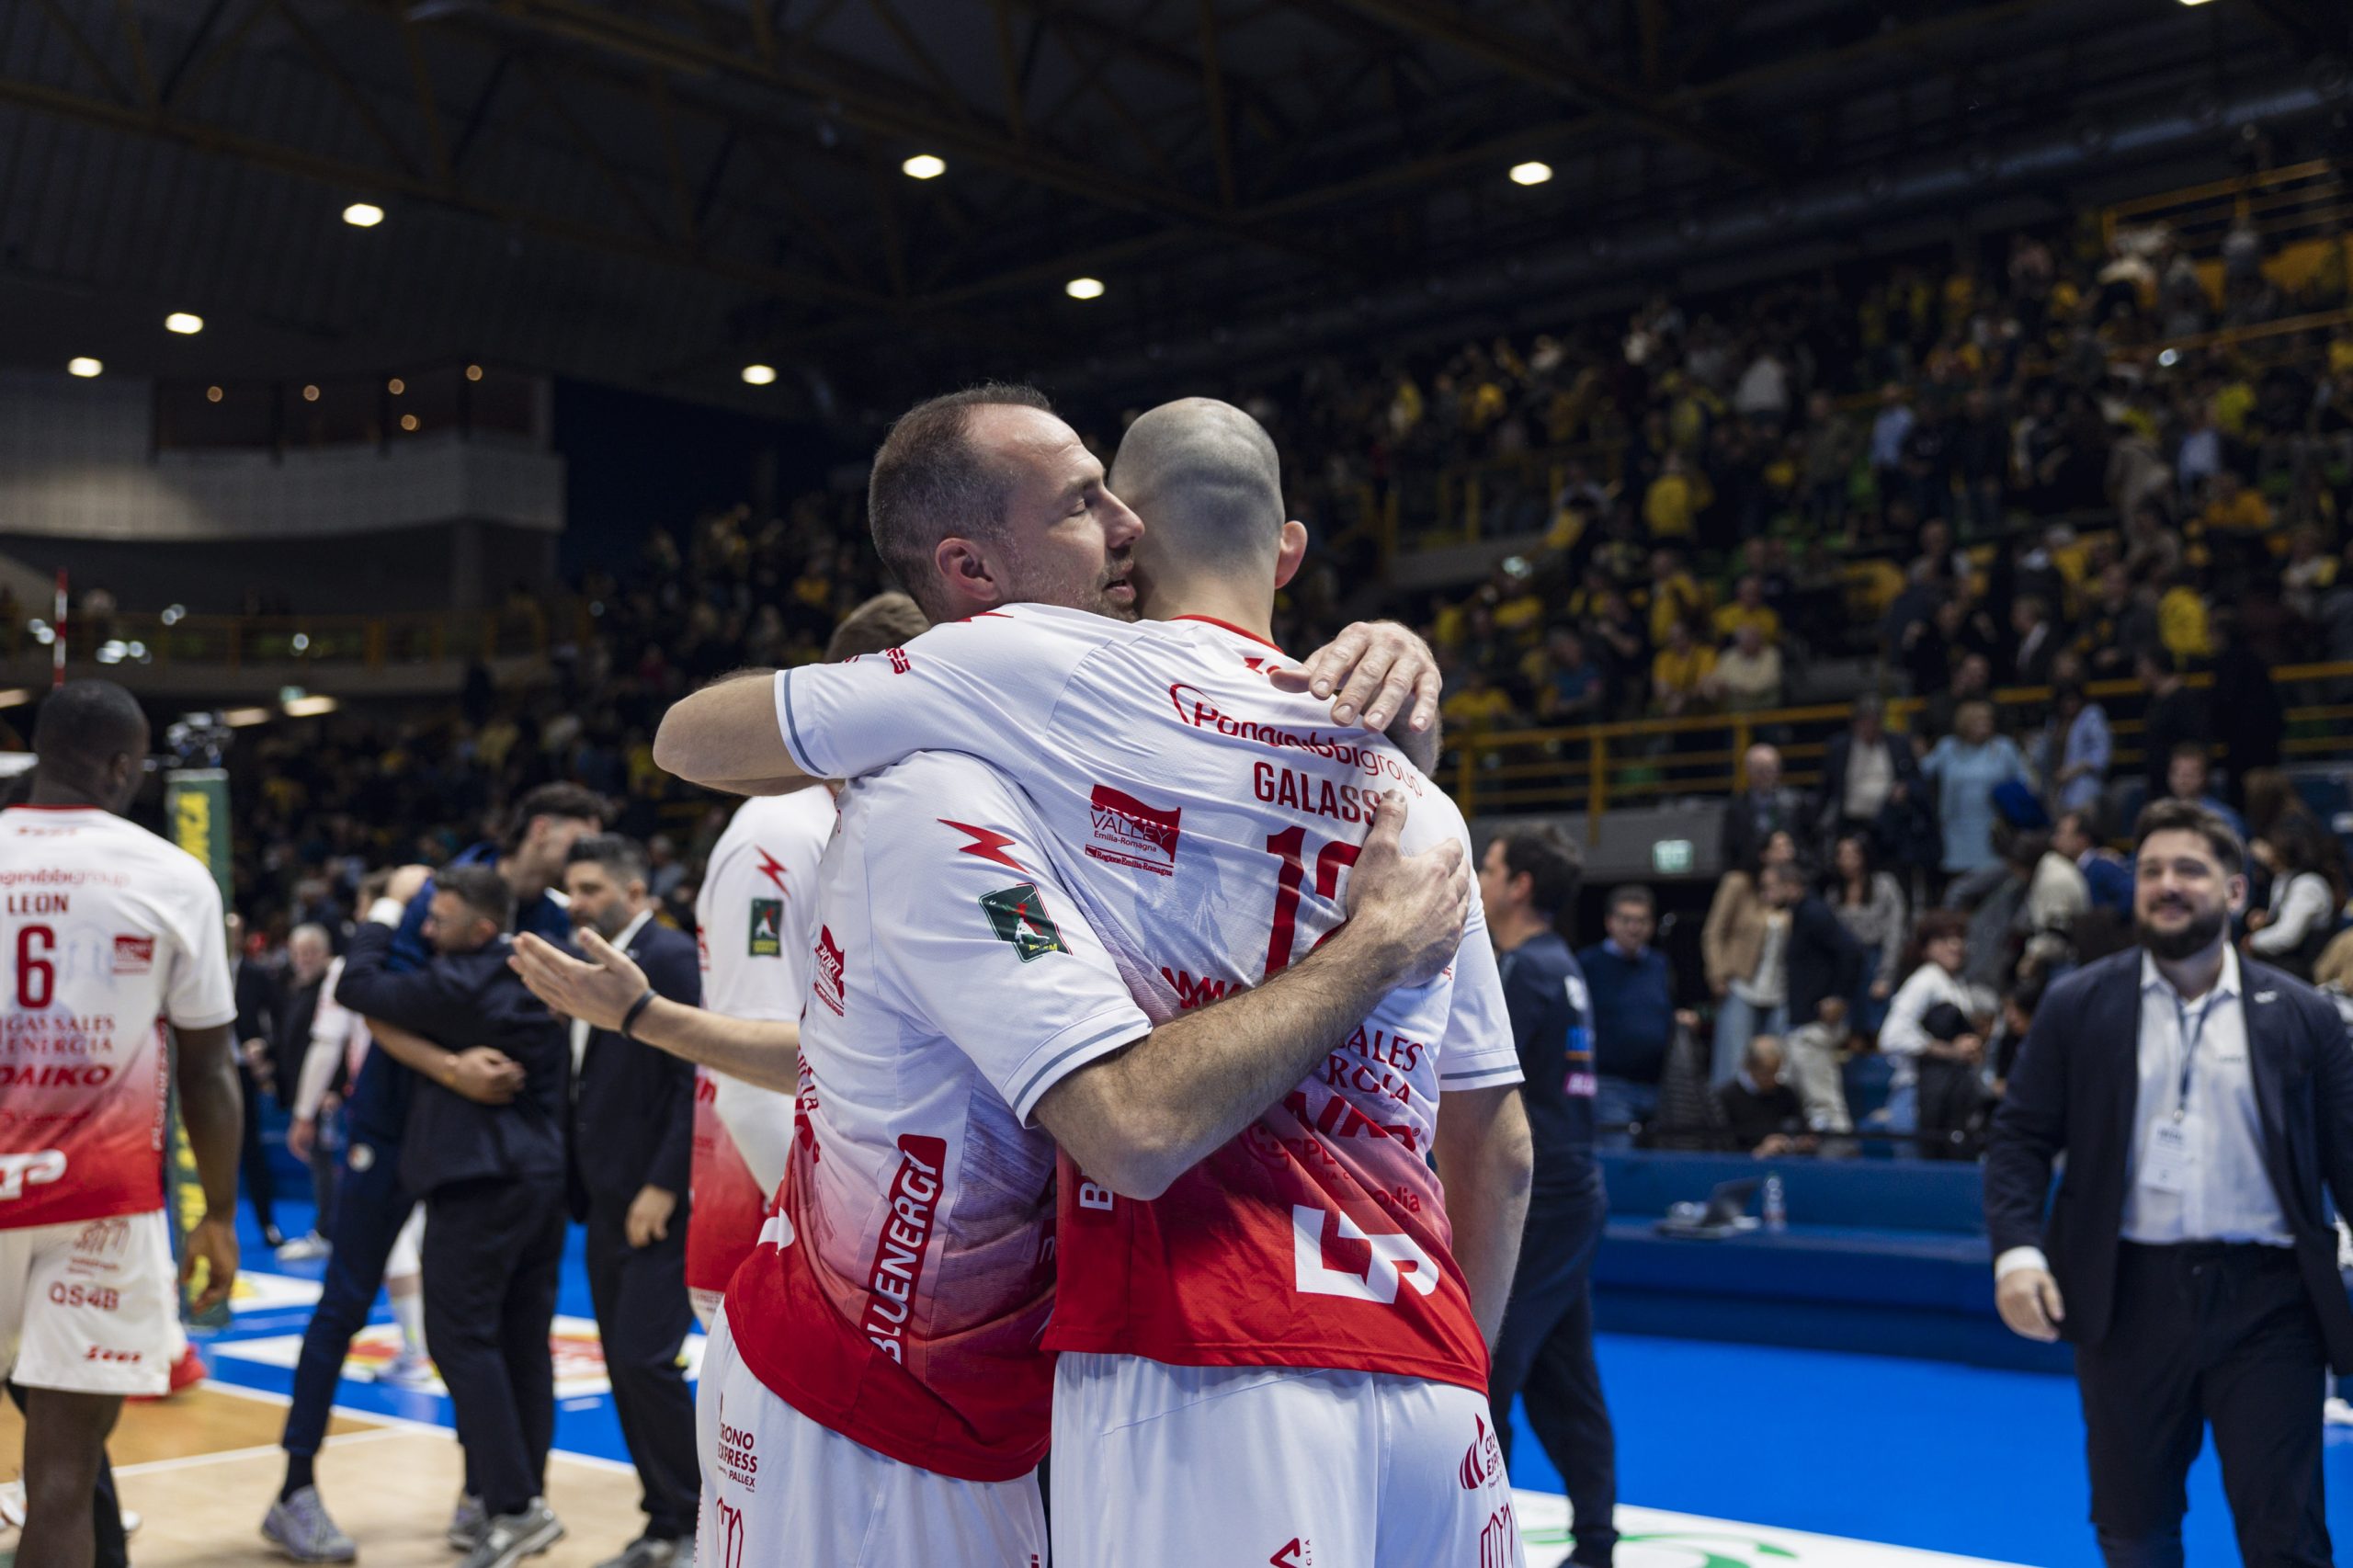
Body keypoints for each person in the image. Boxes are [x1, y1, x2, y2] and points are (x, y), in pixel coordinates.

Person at [649, 389, 1531, 1564]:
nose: (1120, 524)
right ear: (1285, 550)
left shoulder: (1067, 697)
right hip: (879, 1383)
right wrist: (1376, 928)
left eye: (1122, 500)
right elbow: (1495, 1147)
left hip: (1139, 1368)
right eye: (1082, 502)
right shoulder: (1410, 797)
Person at [1986, 800, 2353, 1568]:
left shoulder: (2303, 1016)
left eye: (2190, 869)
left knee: (2286, 1534)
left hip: (2269, 1304)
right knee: (2134, 1528)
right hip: (2126, 1299)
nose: (2166, 885)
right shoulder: (2078, 1005)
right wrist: (2017, 1252)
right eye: (2150, 870)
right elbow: (2020, 1138)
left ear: (2236, 892)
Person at [267, 785, 601, 1563]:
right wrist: (449, 1068)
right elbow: (376, 1006)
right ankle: (295, 1488)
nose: (581, 861)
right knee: (347, 1306)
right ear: (539, 830)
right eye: (576, 840)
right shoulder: (438, 893)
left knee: (502, 1333)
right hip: (395, 1129)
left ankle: (500, 1494)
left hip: (480, 1149)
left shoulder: (553, 918)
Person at [0, 682, 244, 1568]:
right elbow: (209, 1069)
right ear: (120, 765)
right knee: (62, 1483)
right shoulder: (172, 875)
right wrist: (218, 1215)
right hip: (99, 1202)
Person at [680, 595, 927, 1330]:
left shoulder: (861, 818)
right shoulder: (781, 834)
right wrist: (842, 1255)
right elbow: (748, 1079)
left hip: (846, 1218)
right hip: (779, 1227)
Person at [334, 864, 572, 1568]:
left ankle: (513, 1505)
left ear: (483, 928)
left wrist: (385, 908)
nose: (429, 930)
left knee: (459, 1336)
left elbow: (357, 986)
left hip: (481, 1182)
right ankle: (521, 1499)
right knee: (523, 1343)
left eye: (441, 919)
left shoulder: (462, 981)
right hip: (542, 1179)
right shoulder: (529, 971)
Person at [559, 835, 703, 1568]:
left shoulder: (669, 956)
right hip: (605, 1195)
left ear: (635, 892)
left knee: (646, 1359)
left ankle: (702, 1521)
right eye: (573, 890)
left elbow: (692, 1077)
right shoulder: (590, 964)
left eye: (591, 888)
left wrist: (664, 1182)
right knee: (621, 1361)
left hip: (657, 1198)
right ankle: (662, 1520)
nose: (577, 902)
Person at [1477, 827, 1617, 1568]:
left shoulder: (1521, 971)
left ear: (1520, 885)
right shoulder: (1561, 966)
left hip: (1539, 1202)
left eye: (1490, 867)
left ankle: (1478, 1541)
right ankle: (1595, 1542)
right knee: (1566, 1376)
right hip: (1571, 1194)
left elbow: (1476, 1088)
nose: (1479, 877)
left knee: (1484, 1372)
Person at [1577, 886, 1690, 1146]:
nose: (1634, 928)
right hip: (1610, 1085)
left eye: (1641, 921)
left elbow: (1665, 1008)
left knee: (1664, 1161)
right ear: (1610, 922)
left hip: (1659, 1085)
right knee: (1621, 1161)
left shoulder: (1659, 964)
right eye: (1626, 920)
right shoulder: (1589, 963)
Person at [1877, 912, 1990, 1140]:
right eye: (1944, 940)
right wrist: (1951, 1051)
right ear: (1926, 948)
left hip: (1948, 1096)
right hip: (1916, 1096)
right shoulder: (1924, 980)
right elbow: (1891, 1036)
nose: (1955, 946)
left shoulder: (1956, 983)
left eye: (1959, 938)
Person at [1703, 831, 1800, 1084]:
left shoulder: (1792, 889)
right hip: (1741, 984)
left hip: (1778, 990)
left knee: (1776, 1065)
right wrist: (1717, 973)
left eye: (1789, 846)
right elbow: (1714, 931)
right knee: (1734, 1062)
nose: (1787, 852)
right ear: (1764, 853)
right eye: (1780, 847)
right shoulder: (1739, 883)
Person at [271, 925, 338, 1259]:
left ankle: (329, 1232)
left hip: (326, 1098)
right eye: (298, 953)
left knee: (328, 1163)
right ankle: (327, 1229)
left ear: (326, 953)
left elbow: (336, 1044)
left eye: (311, 952)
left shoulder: (331, 990)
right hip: (305, 1093)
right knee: (319, 1162)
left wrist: (333, 1089)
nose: (304, 959)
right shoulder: (298, 989)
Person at [1920, 700, 2029, 881]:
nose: (1985, 725)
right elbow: (1922, 771)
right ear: (1964, 724)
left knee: (1992, 877)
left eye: (1988, 720)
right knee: (1960, 882)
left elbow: (2024, 780)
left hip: (1994, 828)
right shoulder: (1947, 747)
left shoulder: (2004, 748)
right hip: (1956, 828)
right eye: (1978, 721)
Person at [231, 913, 287, 1250]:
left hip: (241, 1072)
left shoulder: (256, 974)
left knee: (250, 1147)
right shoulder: (196, 973)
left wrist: (264, 1047)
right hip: (200, 1072)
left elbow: (281, 1017)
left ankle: (267, 1223)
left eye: (234, 932)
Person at [1761, 860, 1861, 1045]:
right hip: (1802, 1018)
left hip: (1817, 1022)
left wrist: (1838, 996)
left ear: (1790, 886)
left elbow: (1850, 951)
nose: (1765, 895)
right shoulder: (1797, 914)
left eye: (1770, 888)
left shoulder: (1813, 913)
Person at [2244, 813, 2347, 983]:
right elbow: (2283, 914)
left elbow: (2288, 937)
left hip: (2300, 972)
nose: (2266, 849)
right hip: (2283, 965)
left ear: (2284, 849)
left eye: (2271, 845)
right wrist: (2267, 920)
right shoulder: (2284, 877)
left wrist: (2253, 941)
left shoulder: (2309, 885)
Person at [1827, 832, 1905, 1033]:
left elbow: (1894, 931)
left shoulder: (1884, 885)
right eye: (1842, 855)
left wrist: (1885, 976)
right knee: (1848, 1028)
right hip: (1846, 964)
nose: (1848, 860)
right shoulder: (1834, 893)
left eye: (1853, 854)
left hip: (1875, 959)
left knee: (1877, 1024)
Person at [1719, 744, 1809, 874]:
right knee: (1733, 881)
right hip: (1750, 871)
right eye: (1759, 770)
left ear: (1779, 770)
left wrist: (1789, 853)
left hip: (1790, 869)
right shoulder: (1736, 807)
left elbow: (1806, 843)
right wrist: (1762, 858)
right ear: (1748, 771)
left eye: (1769, 769)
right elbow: (1729, 850)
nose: (1765, 775)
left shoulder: (1796, 802)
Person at [1712, 1037, 1807, 1156]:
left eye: (1776, 1072)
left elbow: (1800, 1129)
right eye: (1767, 1072)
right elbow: (1722, 1146)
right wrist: (1758, 1150)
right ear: (1749, 1066)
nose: (1773, 1079)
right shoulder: (1726, 1097)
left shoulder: (1786, 1094)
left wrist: (1792, 1143)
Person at [2036, 679, 2111, 818]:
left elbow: (2101, 754)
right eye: (2065, 700)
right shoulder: (2054, 722)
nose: (2069, 704)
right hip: (2056, 787)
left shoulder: (2091, 716)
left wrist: (2073, 771)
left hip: (2084, 785)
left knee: (2080, 824)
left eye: (2073, 699)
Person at [1783, 996, 1856, 1136]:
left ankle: (1838, 1138)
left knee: (1823, 1105)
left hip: (1816, 1031)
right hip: (1791, 1027)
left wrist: (1837, 996)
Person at [2053, 809, 2134, 915]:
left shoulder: (2102, 867)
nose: (2055, 840)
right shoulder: (2077, 869)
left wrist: (2108, 917)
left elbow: (2130, 896)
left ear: (2081, 839)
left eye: (2062, 833)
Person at [2160, 742, 2245, 840]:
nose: (2183, 779)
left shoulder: (2224, 818)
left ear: (2204, 776)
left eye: (2190, 773)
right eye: (2176, 771)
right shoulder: (2159, 814)